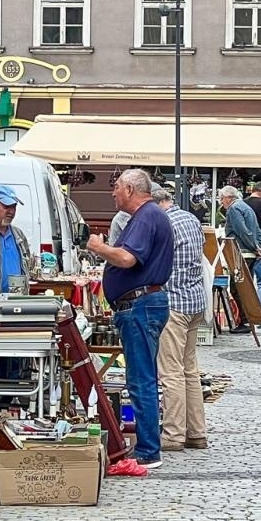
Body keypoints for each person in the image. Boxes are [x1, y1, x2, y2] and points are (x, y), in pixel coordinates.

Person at [88, 169, 174, 468]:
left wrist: (100, 249)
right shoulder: (150, 215)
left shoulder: (146, 216)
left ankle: (149, 450)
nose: (113, 193)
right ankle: (148, 444)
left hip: (140, 305)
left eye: (116, 188)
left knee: (141, 379)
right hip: (144, 303)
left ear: (128, 188)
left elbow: (127, 258)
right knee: (142, 377)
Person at [152, 185, 209, 452]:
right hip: (194, 300)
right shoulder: (190, 218)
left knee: (170, 371)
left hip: (173, 302)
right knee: (189, 370)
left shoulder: (163, 223)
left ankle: (173, 434)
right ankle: (197, 432)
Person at [220, 184, 261, 319]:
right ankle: (248, 318)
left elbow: (243, 231)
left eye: (222, 198)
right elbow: (257, 230)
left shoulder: (234, 209)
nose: (221, 202)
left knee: (238, 288)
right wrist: (260, 247)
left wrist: (254, 247)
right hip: (250, 253)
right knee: (247, 288)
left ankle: (242, 320)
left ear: (229, 198)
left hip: (241, 253)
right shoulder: (246, 207)